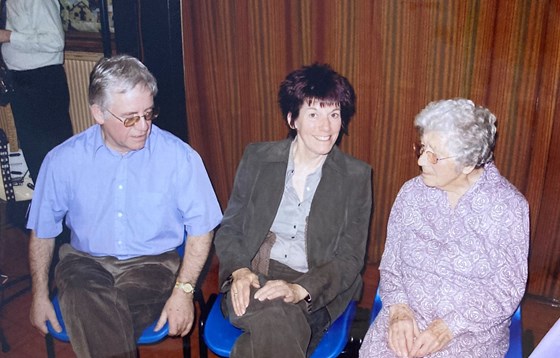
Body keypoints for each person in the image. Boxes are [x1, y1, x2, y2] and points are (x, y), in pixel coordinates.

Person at [27, 55, 222, 357]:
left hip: (153, 265)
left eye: (148, 113)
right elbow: (42, 231)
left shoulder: (180, 158)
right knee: (87, 297)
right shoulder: (62, 160)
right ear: (98, 113)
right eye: (130, 117)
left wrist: (183, 291)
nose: (143, 126)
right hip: (84, 263)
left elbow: (202, 230)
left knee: (92, 317)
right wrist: (39, 294)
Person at [214, 63, 373, 358]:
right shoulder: (257, 158)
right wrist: (239, 271)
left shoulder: (356, 177)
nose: (326, 128)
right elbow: (230, 228)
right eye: (313, 114)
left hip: (315, 285)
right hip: (253, 278)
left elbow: (350, 258)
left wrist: (301, 290)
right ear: (292, 119)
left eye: (334, 114)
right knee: (278, 315)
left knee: (266, 333)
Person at [359, 98, 529, 358]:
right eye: (423, 147)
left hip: (469, 335)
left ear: (469, 163)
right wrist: (399, 310)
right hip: (406, 322)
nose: (422, 162)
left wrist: (449, 326)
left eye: (434, 155)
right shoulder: (411, 194)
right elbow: (391, 263)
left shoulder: (508, 208)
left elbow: (506, 289)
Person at [0, 0, 74, 182]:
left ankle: (65, 208)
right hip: (20, 82)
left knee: (53, 155)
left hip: (42, 83)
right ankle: (46, 206)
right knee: (35, 157)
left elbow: (55, 40)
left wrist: (9, 36)